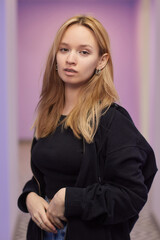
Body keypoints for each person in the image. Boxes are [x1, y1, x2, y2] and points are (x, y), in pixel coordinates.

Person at [17, 15, 157, 240]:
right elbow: (42, 177)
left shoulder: (112, 120)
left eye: (83, 52)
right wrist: (29, 197)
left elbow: (132, 194)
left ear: (101, 61)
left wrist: (70, 200)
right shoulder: (48, 115)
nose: (70, 59)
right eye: (64, 50)